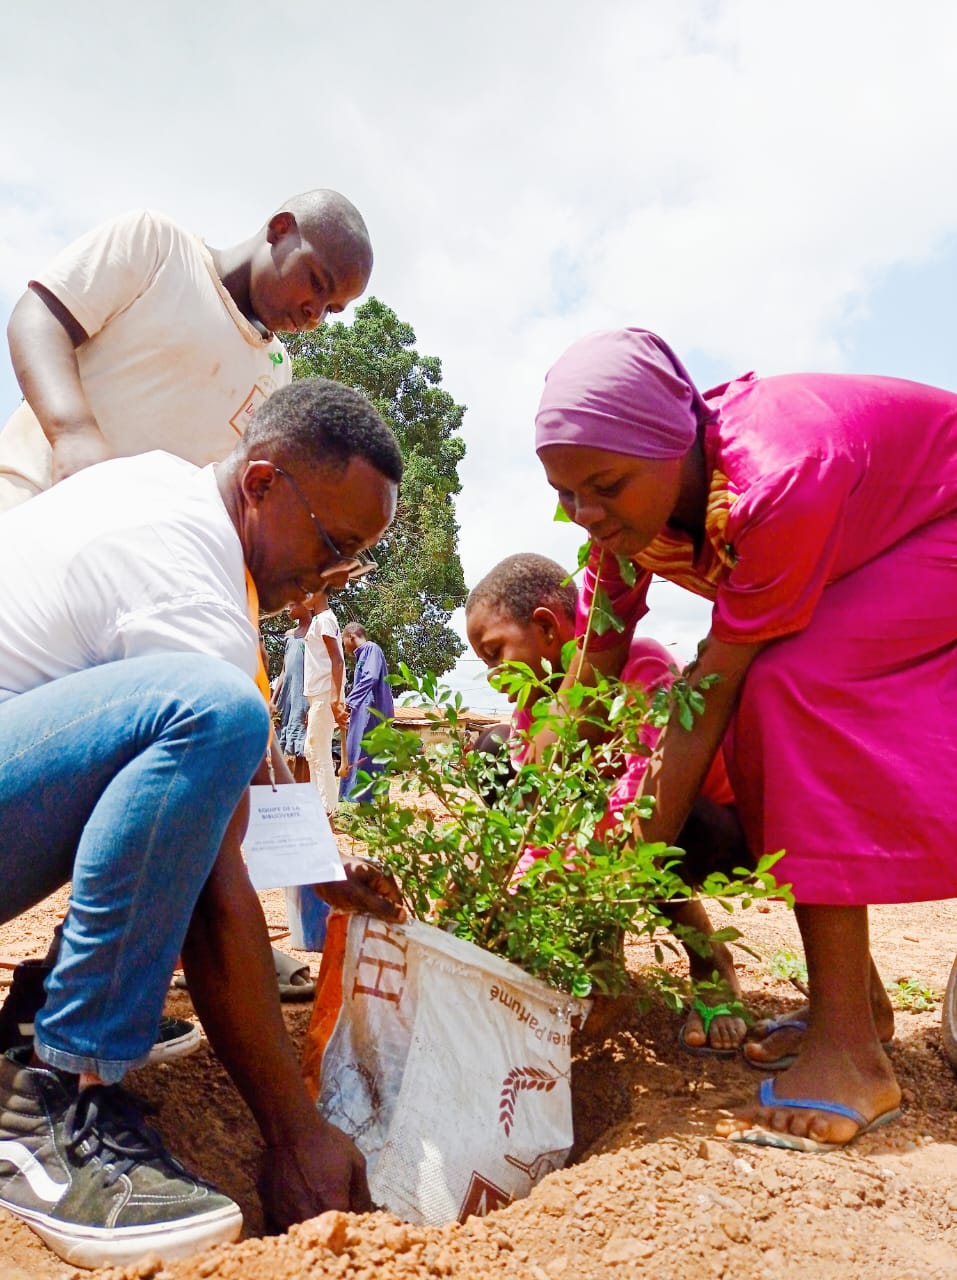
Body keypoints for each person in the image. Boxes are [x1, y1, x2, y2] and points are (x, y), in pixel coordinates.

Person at [0, 378, 406, 1267]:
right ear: (262, 484)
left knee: (215, 717)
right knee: (215, 712)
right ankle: (57, 1092)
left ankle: (41, 1016)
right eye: (334, 545)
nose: (333, 576)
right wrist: (292, 1131)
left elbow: (238, 785)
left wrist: (320, 870)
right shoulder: (186, 571)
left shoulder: (165, 489)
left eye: (354, 561)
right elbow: (212, 887)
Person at [533, 326, 957, 1152]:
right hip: (870, 534)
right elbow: (591, 673)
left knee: (789, 685)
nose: (586, 514)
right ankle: (856, 1003)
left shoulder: (778, 474)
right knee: (778, 687)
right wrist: (537, 831)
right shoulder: (622, 525)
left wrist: (613, 885)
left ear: (675, 446)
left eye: (605, 486)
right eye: (565, 494)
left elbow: (711, 690)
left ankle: (853, 1055)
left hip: (941, 520)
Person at [465, 552, 749, 1055]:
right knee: (494, 754)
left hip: (707, 829)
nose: (492, 675)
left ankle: (708, 959)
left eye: (495, 653)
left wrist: (576, 864)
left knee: (652, 816)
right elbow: (538, 816)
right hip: (612, 841)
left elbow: (651, 788)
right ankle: (600, 962)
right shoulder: (534, 711)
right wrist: (512, 888)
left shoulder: (642, 660)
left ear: (548, 628)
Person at [0, 188, 373, 509]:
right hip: (26, 503)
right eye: (316, 282)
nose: (315, 314)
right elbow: (40, 317)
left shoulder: (276, 372)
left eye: (332, 309)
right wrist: (73, 434)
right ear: (280, 229)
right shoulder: (159, 246)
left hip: (109, 572)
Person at [303, 587, 347, 815]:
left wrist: (334, 698)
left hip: (324, 693)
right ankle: (318, 806)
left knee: (319, 751)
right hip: (317, 695)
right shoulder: (319, 620)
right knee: (311, 750)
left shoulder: (325, 620)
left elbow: (337, 661)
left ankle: (326, 809)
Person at [339, 622, 395, 803]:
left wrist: (349, 702)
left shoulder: (371, 649)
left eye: (343, 641)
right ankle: (358, 800)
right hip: (362, 712)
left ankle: (368, 802)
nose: (343, 646)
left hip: (372, 713)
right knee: (358, 754)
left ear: (351, 636)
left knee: (368, 757)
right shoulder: (362, 655)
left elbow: (370, 677)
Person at [275, 599, 314, 783]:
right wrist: (274, 701)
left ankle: (303, 793)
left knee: (303, 749)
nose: (288, 608)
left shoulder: (314, 633)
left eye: (293, 604)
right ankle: (290, 792)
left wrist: (311, 705)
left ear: (307, 604)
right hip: (288, 697)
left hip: (304, 698)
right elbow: (284, 671)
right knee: (283, 747)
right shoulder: (289, 635)